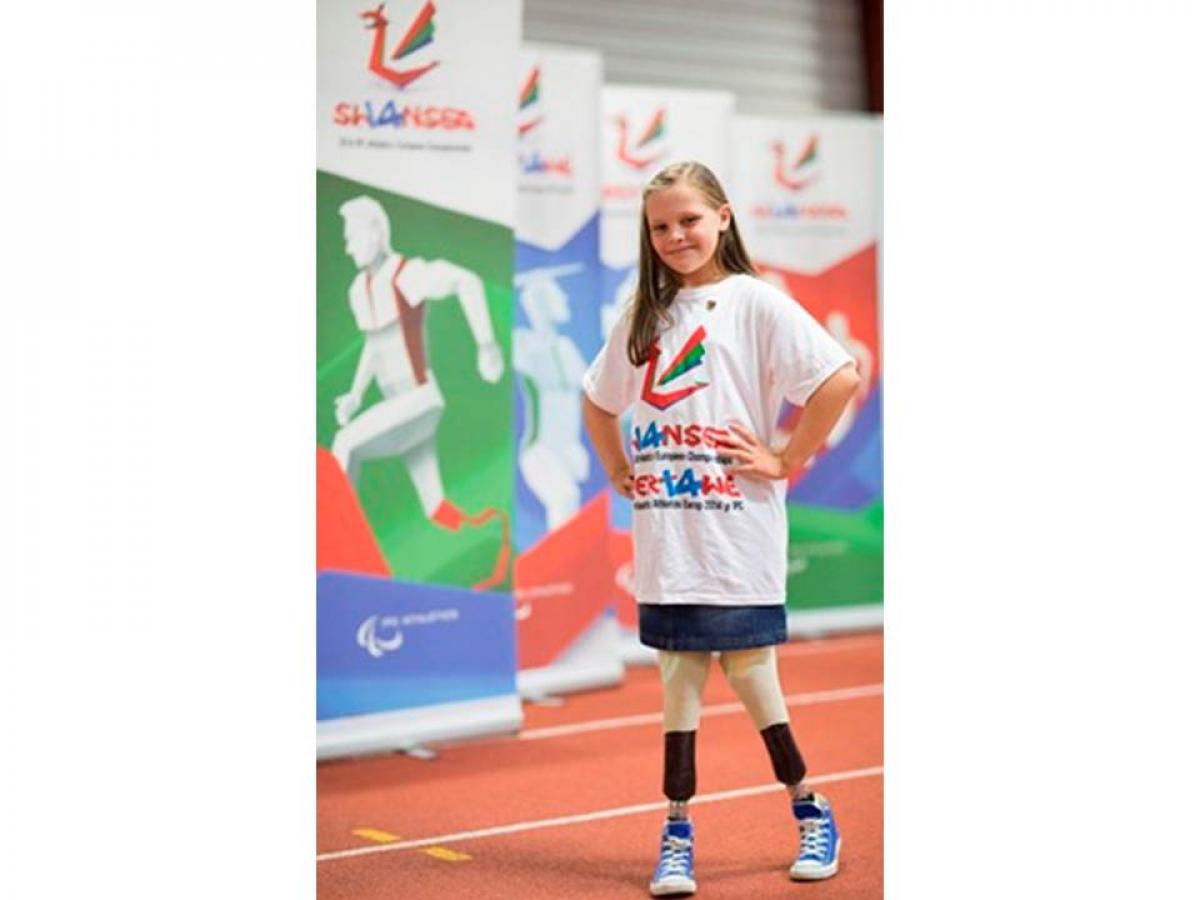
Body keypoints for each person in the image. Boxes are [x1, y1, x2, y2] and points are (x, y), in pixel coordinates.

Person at [581, 161, 861, 896]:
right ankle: (676, 833)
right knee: (678, 679)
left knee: (750, 675)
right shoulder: (645, 313)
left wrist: (786, 457)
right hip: (668, 533)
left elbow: (839, 378)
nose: (675, 235)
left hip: (736, 530)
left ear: (724, 218)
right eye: (660, 226)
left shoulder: (753, 302)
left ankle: (811, 809)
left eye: (688, 221)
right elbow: (598, 399)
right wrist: (618, 467)